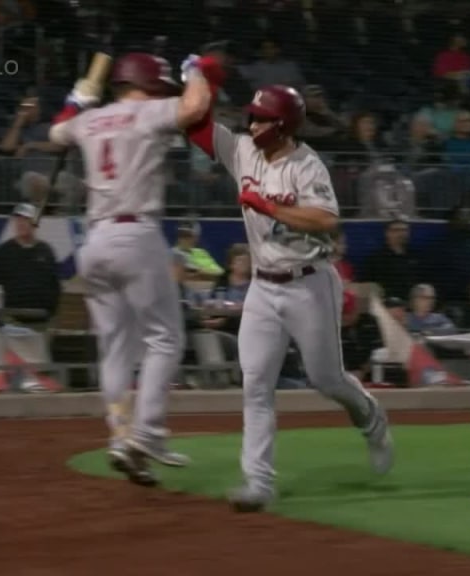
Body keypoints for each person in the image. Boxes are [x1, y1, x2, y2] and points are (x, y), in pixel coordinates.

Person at [183, 70, 394, 512]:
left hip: (309, 284)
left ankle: (371, 418)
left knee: (326, 379)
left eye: (261, 119)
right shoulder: (243, 150)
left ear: (283, 126)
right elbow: (195, 123)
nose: (252, 125)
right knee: (256, 382)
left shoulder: (306, 164)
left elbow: (325, 220)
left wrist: (270, 206)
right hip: (262, 286)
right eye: (252, 117)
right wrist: (197, 78)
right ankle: (258, 481)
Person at [46, 52, 214, 486]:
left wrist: (75, 101)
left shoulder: (89, 119)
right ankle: (148, 434)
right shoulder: (146, 109)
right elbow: (196, 107)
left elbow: (54, 133)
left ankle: (121, 438)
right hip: (135, 234)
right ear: (146, 82)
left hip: (95, 240)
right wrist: (193, 69)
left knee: (116, 346)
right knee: (165, 338)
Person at [0, 204, 61, 325]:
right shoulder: (4, 251)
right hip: (11, 319)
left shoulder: (46, 251)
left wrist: (49, 313)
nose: (20, 224)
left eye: (25, 220)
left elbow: (55, 286)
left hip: (40, 319)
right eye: (18, 220)